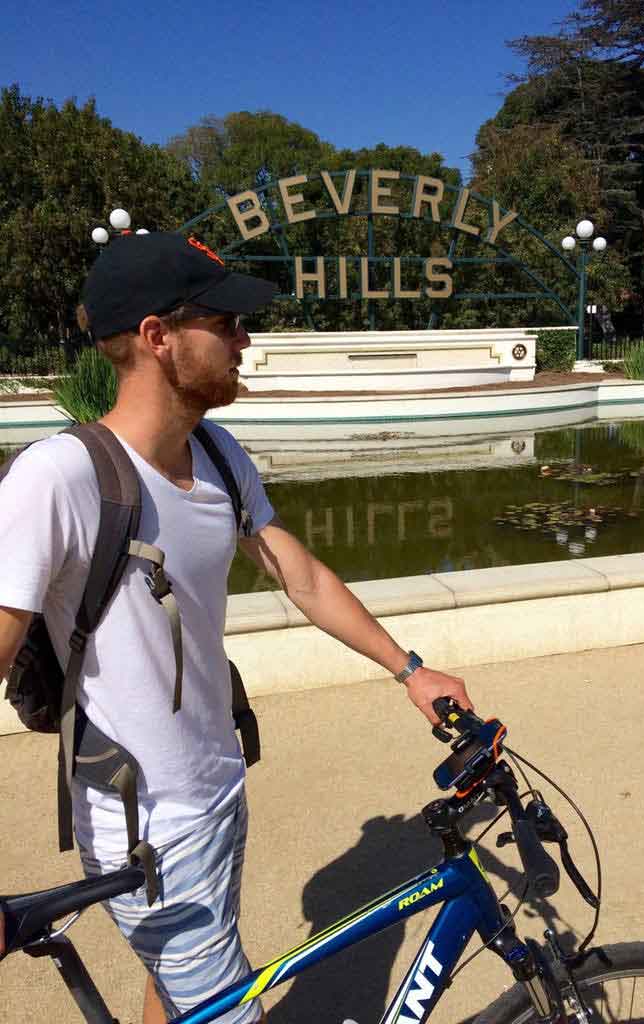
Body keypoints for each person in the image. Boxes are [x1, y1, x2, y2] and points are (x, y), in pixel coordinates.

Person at [0, 232, 472, 1023]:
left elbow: (303, 576)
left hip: (216, 784)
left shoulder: (217, 454)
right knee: (222, 1006)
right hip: (144, 826)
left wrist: (410, 669)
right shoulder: (62, 477)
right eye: (226, 322)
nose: (246, 340)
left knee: (173, 989)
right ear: (157, 337)